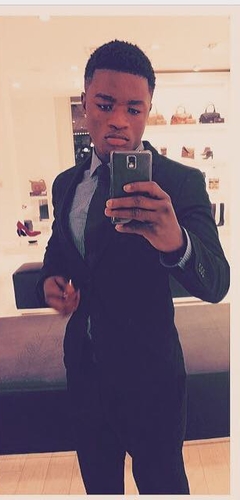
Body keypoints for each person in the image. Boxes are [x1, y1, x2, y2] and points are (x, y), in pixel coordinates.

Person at [38, 40, 229, 495]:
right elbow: (58, 251)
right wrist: (50, 281)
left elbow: (216, 282)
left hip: (151, 376)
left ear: (148, 110)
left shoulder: (181, 182)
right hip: (84, 367)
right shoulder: (66, 185)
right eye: (105, 105)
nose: (119, 120)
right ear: (85, 102)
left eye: (134, 109)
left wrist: (175, 241)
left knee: (163, 484)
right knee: (99, 485)